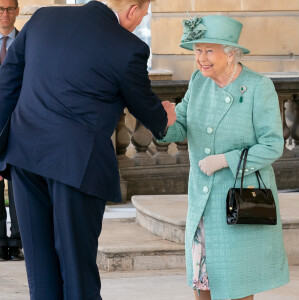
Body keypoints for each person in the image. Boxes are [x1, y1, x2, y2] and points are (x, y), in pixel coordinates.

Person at [0, 0, 176, 299]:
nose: (139, 22)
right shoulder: (128, 47)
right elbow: (146, 107)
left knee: (40, 270)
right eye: (143, 15)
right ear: (132, 9)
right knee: (77, 269)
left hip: (26, 158)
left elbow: (6, 85)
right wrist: (165, 115)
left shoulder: (43, 18)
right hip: (77, 167)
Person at [159, 15, 289, 300]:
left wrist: (225, 160)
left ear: (231, 53)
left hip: (238, 201)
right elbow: (180, 126)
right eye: (197, 51)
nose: (200, 59)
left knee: (236, 283)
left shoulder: (257, 86)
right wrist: (162, 121)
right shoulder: (199, 82)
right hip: (202, 203)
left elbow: (272, 145)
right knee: (201, 281)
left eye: (208, 51)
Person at [0, 0, 23, 261]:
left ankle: (17, 241)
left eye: (9, 8)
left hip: (19, 126)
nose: (5, 14)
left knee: (18, 186)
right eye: (0, 9)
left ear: (17, 11)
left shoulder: (27, 42)